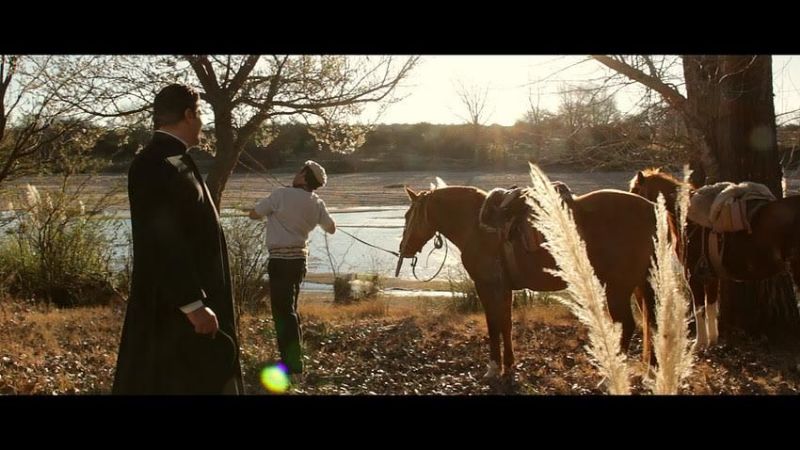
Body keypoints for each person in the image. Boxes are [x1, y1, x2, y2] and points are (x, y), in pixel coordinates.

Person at [113, 84, 244, 394]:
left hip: (190, 304)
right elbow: (161, 240)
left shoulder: (177, 159)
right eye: (199, 115)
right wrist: (193, 304)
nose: (201, 124)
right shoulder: (152, 164)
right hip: (172, 311)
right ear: (188, 115)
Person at [247, 161, 336, 384]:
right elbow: (331, 228)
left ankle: (293, 367)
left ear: (305, 178)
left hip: (279, 261)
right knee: (290, 310)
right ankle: (294, 362)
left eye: (300, 172)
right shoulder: (317, 201)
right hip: (299, 261)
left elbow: (254, 214)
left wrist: (274, 211)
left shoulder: (280, 194)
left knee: (283, 313)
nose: (295, 174)